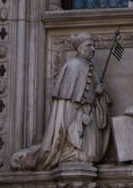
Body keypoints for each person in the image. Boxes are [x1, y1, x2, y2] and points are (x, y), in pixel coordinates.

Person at [11, 33, 111, 169]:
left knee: (92, 153)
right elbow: (66, 107)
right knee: (82, 154)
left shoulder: (92, 69)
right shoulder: (72, 67)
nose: (93, 49)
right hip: (77, 118)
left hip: (90, 116)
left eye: (94, 46)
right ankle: (69, 152)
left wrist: (99, 94)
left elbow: (98, 98)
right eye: (89, 45)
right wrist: (79, 117)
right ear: (80, 47)